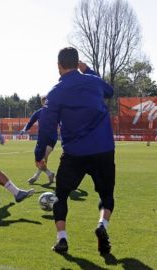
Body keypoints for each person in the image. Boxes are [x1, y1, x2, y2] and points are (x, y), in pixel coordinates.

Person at [36, 47, 115, 254]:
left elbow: (47, 127)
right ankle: (102, 226)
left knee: (61, 196)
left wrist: (39, 155)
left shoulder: (55, 92)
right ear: (78, 62)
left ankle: (62, 239)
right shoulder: (94, 81)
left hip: (74, 153)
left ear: (58, 66)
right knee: (106, 195)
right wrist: (88, 70)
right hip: (103, 149)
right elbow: (110, 91)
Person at [20, 96, 56, 185]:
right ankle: (49, 174)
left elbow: (64, 121)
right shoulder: (39, 112)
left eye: (47, 101)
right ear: (42, 103)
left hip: (51, 138)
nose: (46, 103)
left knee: (44, 157)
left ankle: (36, 177)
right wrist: (24, 129)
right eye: (44, 101)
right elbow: (30, 122)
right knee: (39, 160)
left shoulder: (55, 112)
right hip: (41, 139)